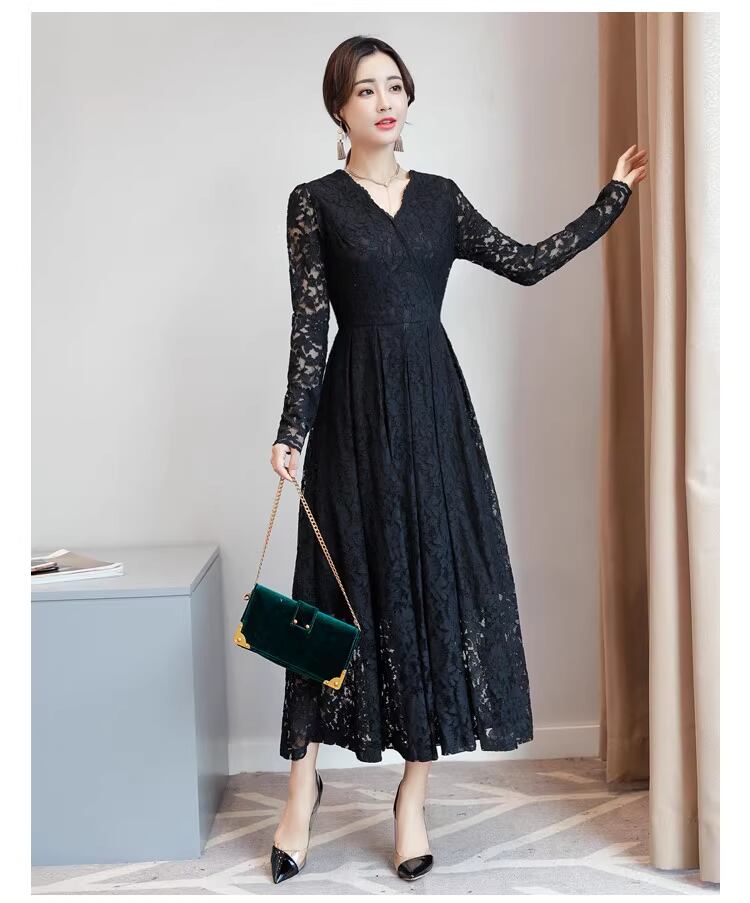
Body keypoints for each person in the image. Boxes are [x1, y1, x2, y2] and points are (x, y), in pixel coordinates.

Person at [267, 35, 647, 885]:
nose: (383, 101)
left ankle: (413, 795)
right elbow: (308, 328)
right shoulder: (314, 203)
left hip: (435, 416)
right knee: (328, 594)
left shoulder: (441, 199)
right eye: (365, 90)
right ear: (340, 109)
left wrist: (612, 198)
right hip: (352, 418)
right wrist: (293, 429)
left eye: (393, 85)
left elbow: (525, 262)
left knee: (430, 585)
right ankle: (301, 786)